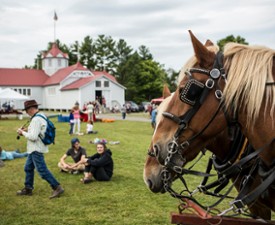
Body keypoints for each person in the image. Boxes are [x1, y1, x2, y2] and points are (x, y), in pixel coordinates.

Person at [16, 99, 64, 199]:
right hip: (35, 148)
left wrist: (22, 133)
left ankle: (57, 187)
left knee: (42, 170)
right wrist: (27, 129)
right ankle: (28, 188)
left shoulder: (35, 119)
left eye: (26, 110)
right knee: (28, 168)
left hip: (36, 148)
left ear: (30, 109)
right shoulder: (41, 116)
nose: (26, 112)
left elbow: (33, 137)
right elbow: (38, 130)